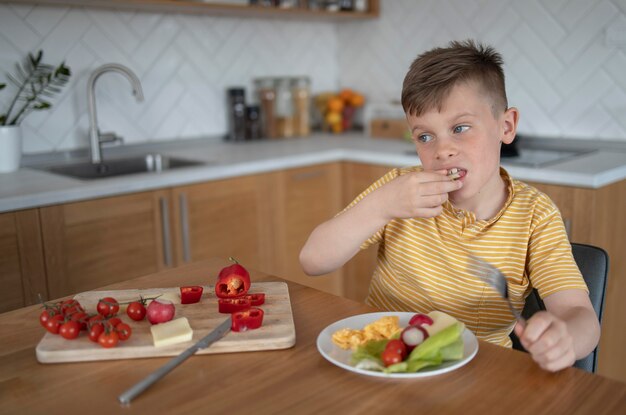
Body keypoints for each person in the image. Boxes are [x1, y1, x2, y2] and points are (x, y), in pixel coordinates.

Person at [299, 40, 600, 372]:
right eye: (425, 137)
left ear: (506, 126)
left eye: (460, 128)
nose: (442, 150)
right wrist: (381, 206)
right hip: (387, 361)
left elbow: (581, 317)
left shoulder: (534, 216)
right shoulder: (398, 191)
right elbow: (313, 260)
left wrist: (566, 338)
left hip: (481, 373)